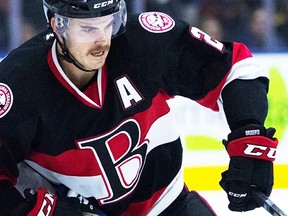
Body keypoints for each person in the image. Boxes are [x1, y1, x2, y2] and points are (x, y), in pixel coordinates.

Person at [0, 0, 279, 215]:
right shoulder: (19, 84)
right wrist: (45, 211)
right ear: (57, 24)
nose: (101, 41)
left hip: (168, 205)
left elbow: (235, 67)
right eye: (87, 28)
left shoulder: (143, 42)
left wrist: (249, 134)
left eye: (107, 23)